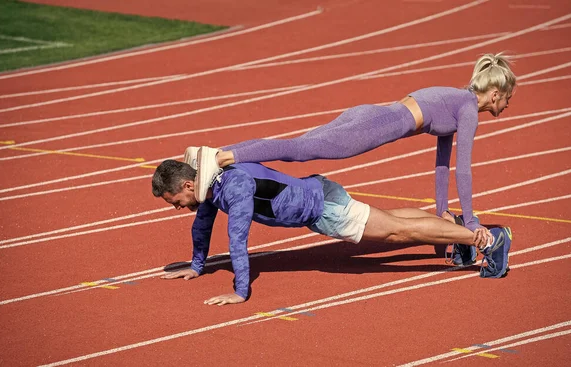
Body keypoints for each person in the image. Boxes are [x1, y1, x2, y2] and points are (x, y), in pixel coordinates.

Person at [190, 53, 516, 241]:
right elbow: (465, 168)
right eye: (508, 98)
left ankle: (215, 152)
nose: (507, 105)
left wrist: (442, 208)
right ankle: (221, 156)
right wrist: (471, 221)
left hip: (369, 114)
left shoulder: (456, 100)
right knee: (301, 150)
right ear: (496, 93)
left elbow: (443, 161)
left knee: (300, 145)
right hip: (376, 126)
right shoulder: (469, 109)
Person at [152, 153, 511, 306]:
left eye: (175, 202)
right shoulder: (214, 182)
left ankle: (486, 239)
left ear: (186, 185)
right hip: (319, 192)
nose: (179, 209)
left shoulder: (234, 188)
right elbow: (203, 223)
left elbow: (238, 238)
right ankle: (450, 226)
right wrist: (197, 265)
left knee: (397, 233)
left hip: (324, 209)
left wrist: (240, 292)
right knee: (390, 218)